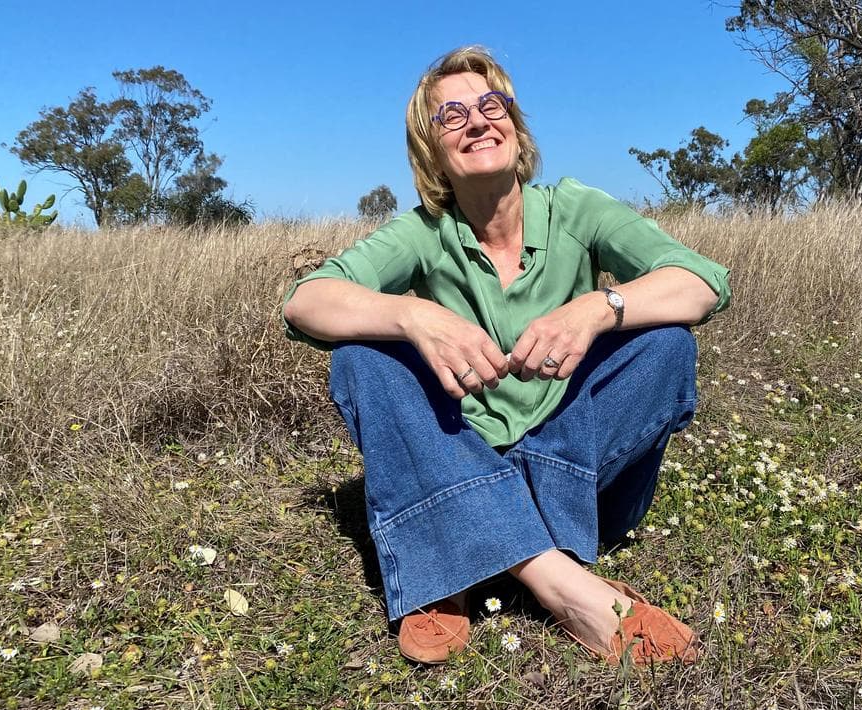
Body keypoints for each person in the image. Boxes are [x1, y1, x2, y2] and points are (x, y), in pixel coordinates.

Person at [282, 46, 731, 666]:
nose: (477, 121)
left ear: (515, 127)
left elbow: (702, 281)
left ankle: (454, 546)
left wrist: (598, 307)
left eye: (492, 105)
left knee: (667, 344)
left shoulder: (576, 208)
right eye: (452, 115)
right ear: (430, 149)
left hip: (576, 464)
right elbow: (306, 301)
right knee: (361, 358)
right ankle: (561, 583)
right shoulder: (424, 232)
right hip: (466, 449)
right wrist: (415, 316)